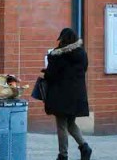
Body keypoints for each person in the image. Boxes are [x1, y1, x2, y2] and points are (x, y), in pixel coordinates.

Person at [41, 27, 92, 160]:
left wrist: (46, 72)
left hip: (61, 96)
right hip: (77, 96)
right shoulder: (82, 54)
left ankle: (63, 155)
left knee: (62, 125)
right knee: (71, 124)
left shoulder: (58, 56)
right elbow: (83, 70)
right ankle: (85, 147)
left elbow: (51, 75)